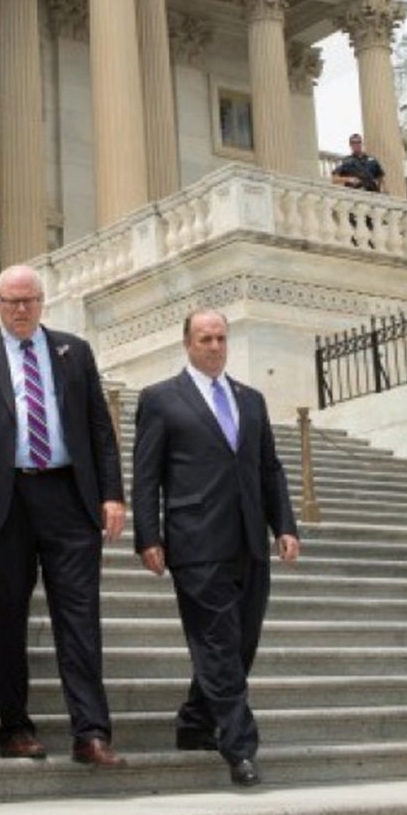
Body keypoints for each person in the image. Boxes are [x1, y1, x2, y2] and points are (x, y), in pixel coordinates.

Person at [0, 264, 125, 766]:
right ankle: (15, 726)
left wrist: (112, 494)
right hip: (2, 503)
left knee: (80, 619)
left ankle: (91, 732)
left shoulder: (74, 351)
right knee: (4, 620)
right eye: (10, 301)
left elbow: (99, 429)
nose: (20, 310)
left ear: (42, 302)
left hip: (69, 497)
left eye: (29, 301)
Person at [132, 310, 299, 789]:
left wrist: (283, 525)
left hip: (249, 541)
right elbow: (147, 475)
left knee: (240, 641)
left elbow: (270, 468)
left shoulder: (250, 400)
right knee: (218, 643)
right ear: (187, 344)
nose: (214, 346)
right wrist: (149, 536)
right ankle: (240, 746)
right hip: (195, 541)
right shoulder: (161, 399)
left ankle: (194, 721)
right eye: (204, 338)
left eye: (221, 338)